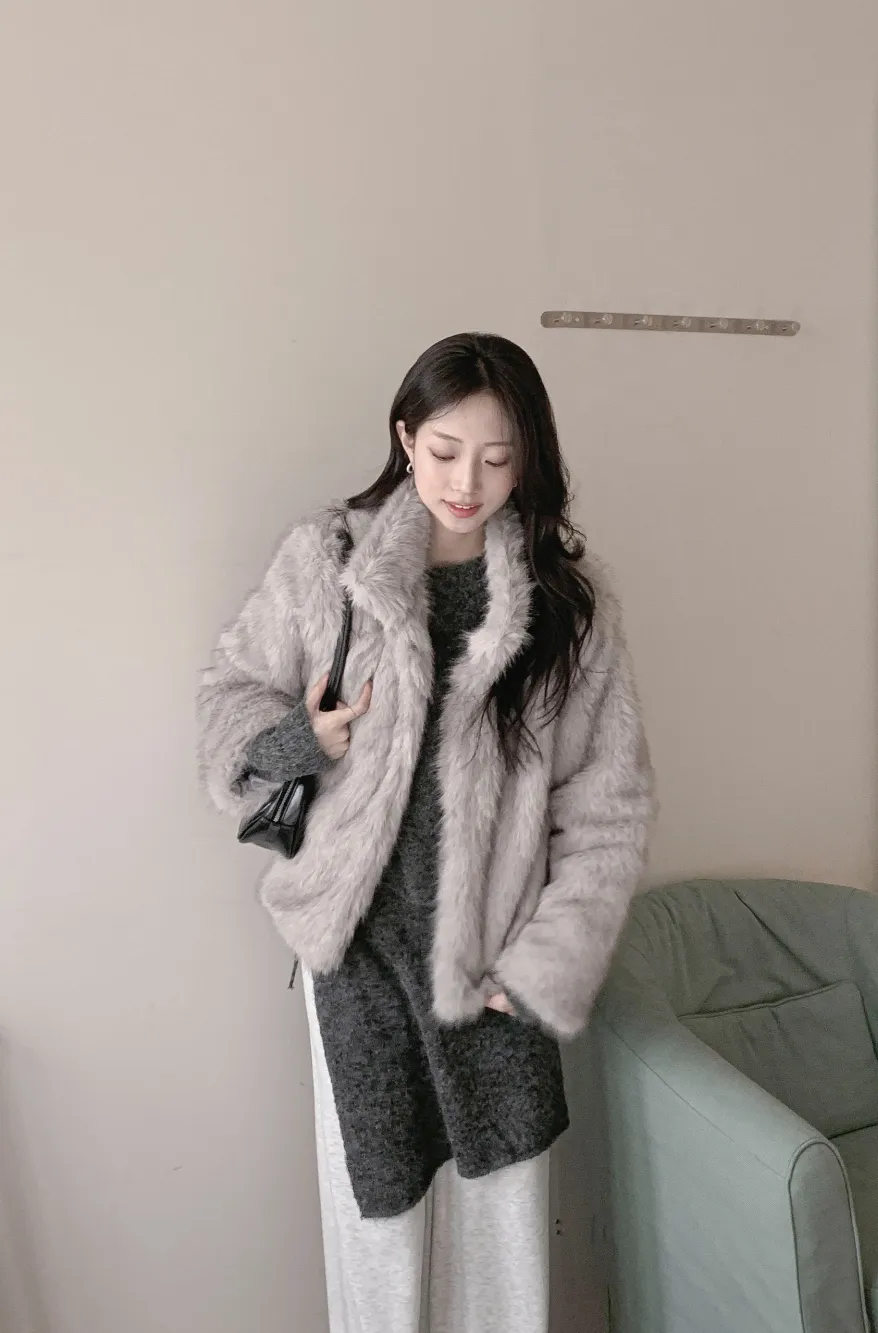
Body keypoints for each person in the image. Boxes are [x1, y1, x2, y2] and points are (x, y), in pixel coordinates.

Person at [195, 331, 655, 1333]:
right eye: (445, 451)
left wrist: (542, 967)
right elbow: (229, 697)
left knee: (504, 1257)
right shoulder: (328, 564)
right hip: (358, 964)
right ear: (406, 438)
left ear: (527, 461)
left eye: (496, 459)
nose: (466, 483)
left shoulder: (566, 607)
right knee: (381, 1245)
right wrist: (301, 736)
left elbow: (607, 808)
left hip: (494, 970)